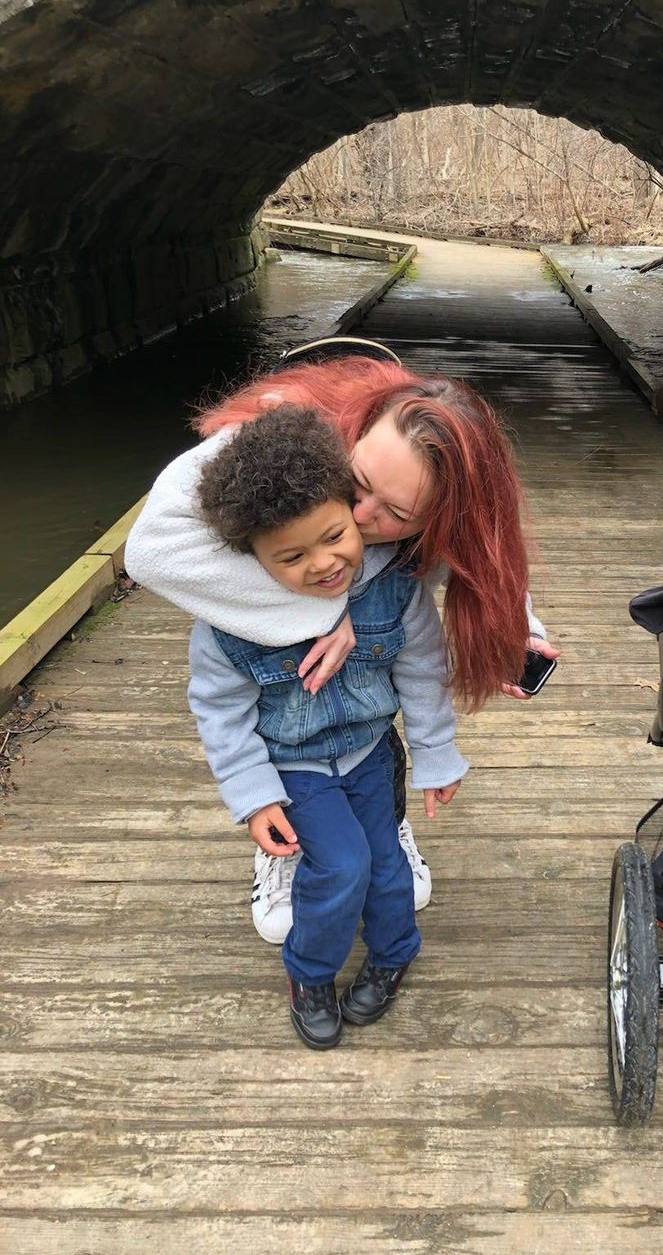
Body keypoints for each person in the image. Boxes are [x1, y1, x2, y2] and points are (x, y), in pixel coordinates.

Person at [124, 341, 559, 940]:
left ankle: (381, 818)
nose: (359, 517)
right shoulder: (279, 432)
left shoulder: (434, 517)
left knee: (375, 735)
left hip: (367, 685)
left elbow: (483, 553)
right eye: (357, 484)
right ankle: (285, 845)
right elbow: (149, 552)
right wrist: (324, 604)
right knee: (280, 712)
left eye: (396, 513)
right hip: (271, 638)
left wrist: (518, 626)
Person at [187, 405, 468, 1049]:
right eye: (291, 555)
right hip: (295, 767)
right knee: (342, 867)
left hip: (371, 750)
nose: (323, 564)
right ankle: (310, 975)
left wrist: (435, 752)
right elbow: (220, 711)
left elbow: (424, 668)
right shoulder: (227, 624)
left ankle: (394, 953)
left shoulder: (395, 584)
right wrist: (253, 795)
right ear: (249, 560)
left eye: (335, 535)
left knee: (387, 867)